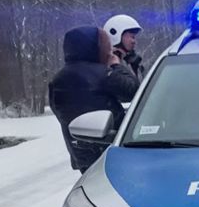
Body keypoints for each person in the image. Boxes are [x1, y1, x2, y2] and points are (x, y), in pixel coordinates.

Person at [48, 25, 139, 171]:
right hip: (111, 152)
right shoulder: (100, 74)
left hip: (81, 156)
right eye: (106, 47)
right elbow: (134, 90)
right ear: (95, 47)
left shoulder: (57, 80)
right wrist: (116, 65)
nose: (108, 51)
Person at [103, 14, 145, 79]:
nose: (134, 41)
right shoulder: (109, 66)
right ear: (116, 35)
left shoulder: (133, 63)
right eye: (132, 37)